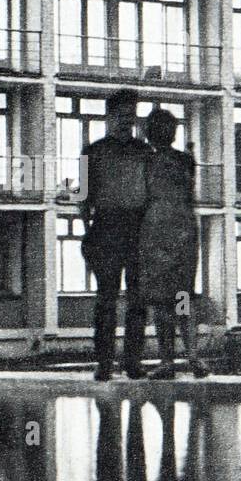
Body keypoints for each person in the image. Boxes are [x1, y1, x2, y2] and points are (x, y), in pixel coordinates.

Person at [81, 88, 152, 381]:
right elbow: (83, 197)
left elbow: (151, 193)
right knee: (106, 299)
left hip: (138, 229)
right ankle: (104, 362)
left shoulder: (145, 151)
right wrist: (88, 233)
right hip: (106, 229)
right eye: (121, 115)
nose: (127, 121)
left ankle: (133, 361)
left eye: (131, 116)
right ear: (109, 117)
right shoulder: (92, 152)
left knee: (138, 299)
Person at [137, 109, 208, 379]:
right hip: (182, 234)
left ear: (149, 133)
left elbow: (141, 197)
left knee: (163, 303)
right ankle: (192, 357)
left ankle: (169, 360)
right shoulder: (185, 160)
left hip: (157, 234)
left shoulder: (147, 162)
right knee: (181, 301)